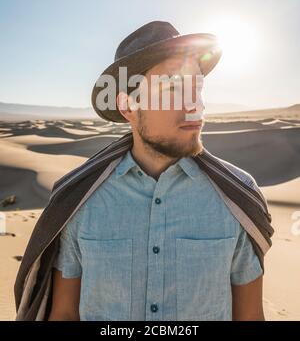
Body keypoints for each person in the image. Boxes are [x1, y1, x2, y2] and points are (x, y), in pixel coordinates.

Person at [47, 20, 267, 321]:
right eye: (173, 88)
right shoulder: (79, 198)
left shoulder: (237, 196)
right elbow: (63, 314)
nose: (195, 107)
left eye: (197, 89)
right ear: (128, 107)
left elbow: (251, 317)